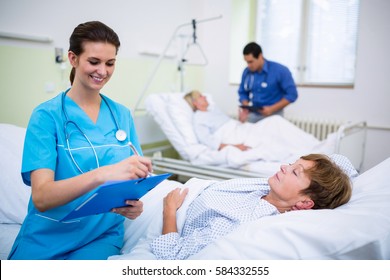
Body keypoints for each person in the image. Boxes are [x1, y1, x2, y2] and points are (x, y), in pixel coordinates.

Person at [8, 21, 153, 260]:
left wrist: (133, 206)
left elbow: (132, 180)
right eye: (94, 62)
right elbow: (42, 197)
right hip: (48, 234)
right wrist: (103, 173)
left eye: (110, 63)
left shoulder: (122, 115)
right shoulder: (47, 116)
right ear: (73, 58)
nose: (103, 71)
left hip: (101, 236)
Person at [150, 153, 352, 260]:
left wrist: (169, 211)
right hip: (179, 191)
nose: (284, 166)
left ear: (305, 203)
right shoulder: (270, 190)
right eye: (291, 163)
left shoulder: (245, 220)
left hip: (167, 209)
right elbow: (344, 164)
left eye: (294, 172)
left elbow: (171, 255)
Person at [184, 90, 320, 163]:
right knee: (270, 134)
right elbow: (210, 142)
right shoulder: (198, 119)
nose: (205, 97)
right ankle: (307, 151)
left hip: (240, 128)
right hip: (233, 137)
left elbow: (232, 124)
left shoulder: (212, 110)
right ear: (195, 103)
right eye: (201, 96)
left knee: (275, 122)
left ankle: (313, 145)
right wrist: (236, 146)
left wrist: (242, 119)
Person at [238, 42, 298, 123]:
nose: (248, 65)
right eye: (246, 62)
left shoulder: (280, 71)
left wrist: (272, 109)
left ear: (260, 56)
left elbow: (292, 94)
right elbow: (243, 92)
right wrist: (246, 107)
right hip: (254, 114)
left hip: (274, 116)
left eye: (251, 62)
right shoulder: (247, 72)